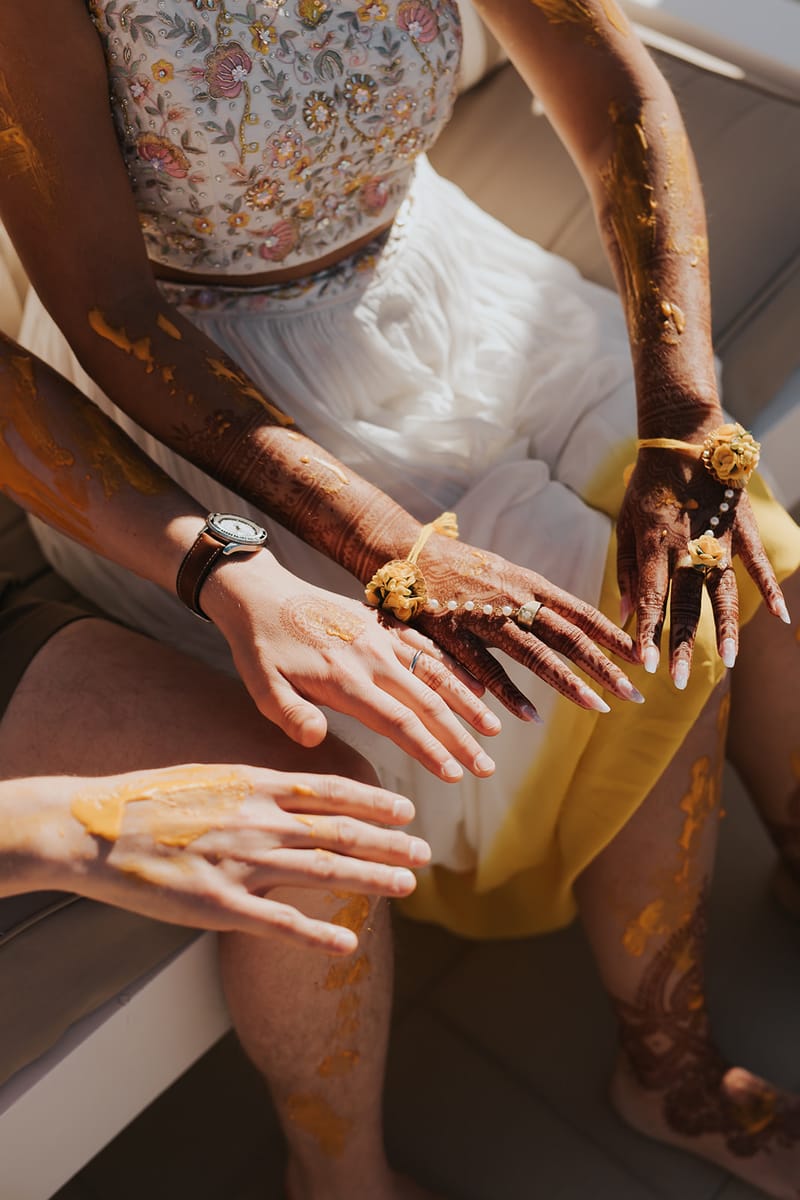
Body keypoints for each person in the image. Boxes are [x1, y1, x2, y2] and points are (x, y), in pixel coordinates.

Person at [1, 3, 800, 1197]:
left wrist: (680, 400)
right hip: (218, 401)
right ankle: (667, 1063)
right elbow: (108, 300)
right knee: (627, 618)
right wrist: (383, 548)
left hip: (443, 288)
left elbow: (611, 86)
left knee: (735, 532)